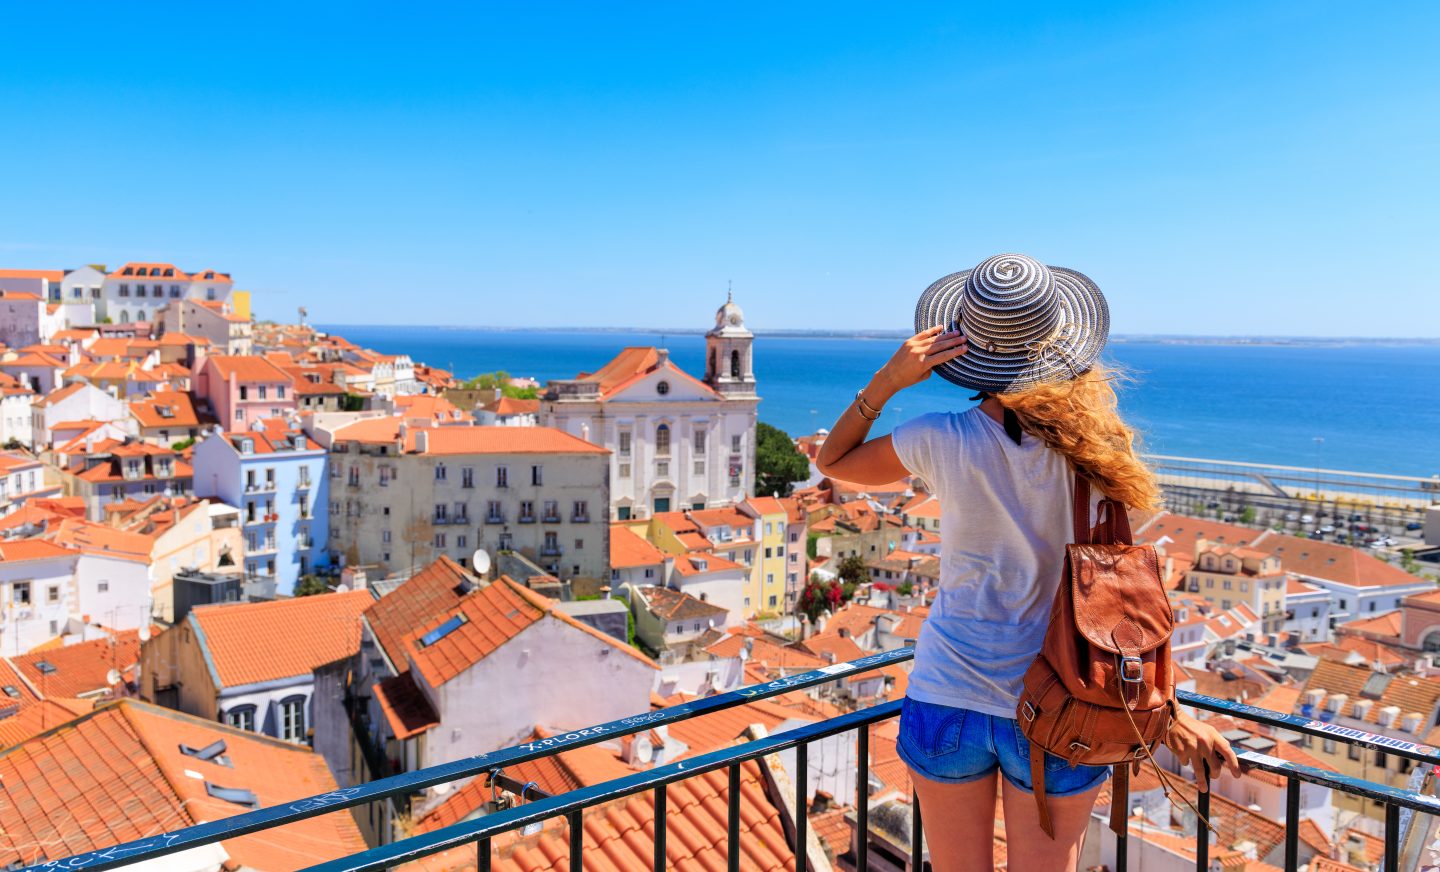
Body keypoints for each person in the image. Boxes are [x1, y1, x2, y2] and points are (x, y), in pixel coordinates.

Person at [814, 253, 1239, 871]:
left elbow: (834, 461)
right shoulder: (1100, 454)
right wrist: (1167, 710)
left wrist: (889, 379)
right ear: (1063, 344)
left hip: (948, 692)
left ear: (965, 349)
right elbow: (1126, 595)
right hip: (1062, 699)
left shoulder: (939, 437)